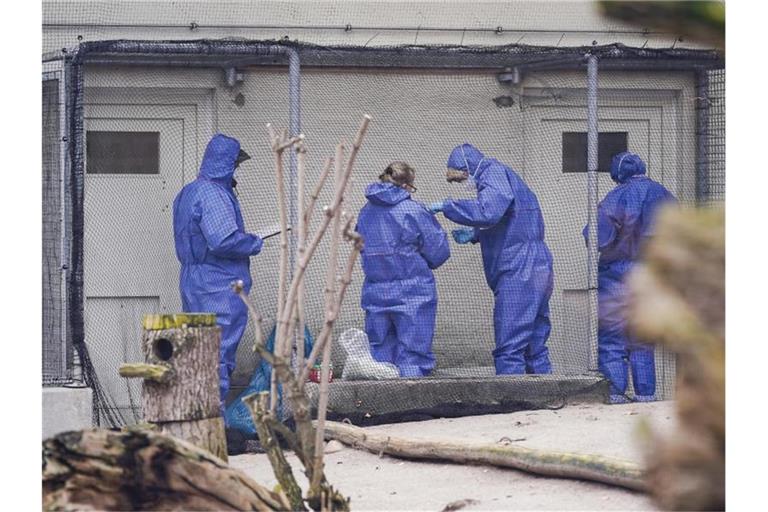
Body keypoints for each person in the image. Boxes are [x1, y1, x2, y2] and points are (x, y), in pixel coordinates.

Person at [430, 143, 553, 375]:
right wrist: (477, 234)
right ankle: (546, 396)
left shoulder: (492, 173)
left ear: (467, 168)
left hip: (519, 269)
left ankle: (512, 399)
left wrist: (448, 206)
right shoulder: (505, 176)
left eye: (460, 179)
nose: (461, 184)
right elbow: (510, 219)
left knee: (510, 341)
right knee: (534, 341)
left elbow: (489, 211)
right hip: (537, 264)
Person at [172, 133, 263, 409]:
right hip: (219, 284)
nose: (237, 170)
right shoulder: (214, 194)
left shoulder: (188, 192)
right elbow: (223, 240)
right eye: (236, 165)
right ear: (228, 164)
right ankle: (212, 423)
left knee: (198, 351)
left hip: (194, 280)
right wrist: (253, 242)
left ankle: (196, 418)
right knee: (217, 353)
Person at [583, 151, 676, 403]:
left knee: (613, 336)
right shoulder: (666, 197)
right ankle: (646, 397)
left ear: (618, 173)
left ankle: (616, 395)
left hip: (618, 274)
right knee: (643, 338)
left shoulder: (617, 196)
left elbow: (597, 237)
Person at [356, 161, 451, 377]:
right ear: (407, 185)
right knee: (413, 357)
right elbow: (438, 252)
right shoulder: (412, 210)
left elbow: (359, 246)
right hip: (413, 293)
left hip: (375, 292)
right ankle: (410, 406)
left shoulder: (365, 212)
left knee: (380, 357)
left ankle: (382, 408)